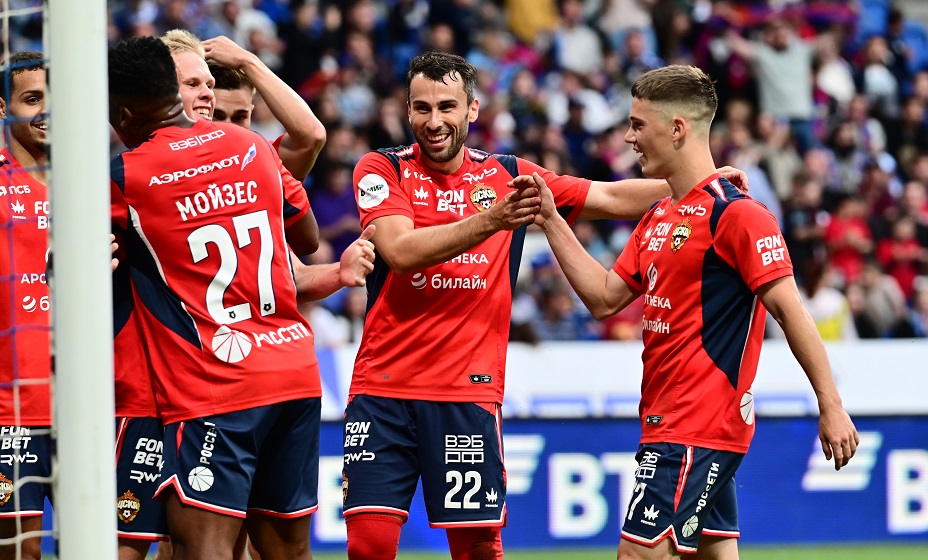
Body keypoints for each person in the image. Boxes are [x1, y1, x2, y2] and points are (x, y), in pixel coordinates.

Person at [341, 50, 749, 560]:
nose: (434, 121)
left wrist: (700, 185)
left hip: (467, 395)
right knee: (369, 546)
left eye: (447, 107)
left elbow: (609, 197)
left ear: (472, 109)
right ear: (407, 110)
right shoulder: (382, 168)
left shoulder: (508, 175)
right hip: (382, 390)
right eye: (421, 108)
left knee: (478, 549)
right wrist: (495, 219)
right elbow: (400, 252)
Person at [522, 65, 859, 559]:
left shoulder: (739, 215)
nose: (629, 137)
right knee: (713, 554)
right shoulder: (660, 215)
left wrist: (831, 405)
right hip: (669, 419)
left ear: (677, 129)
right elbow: (604, 298)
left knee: (637, 554)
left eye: (638, 125)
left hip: (697, 423)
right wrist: (551, 220)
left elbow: (791, 313)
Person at [107, 35, 324, 560]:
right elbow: (307, 237)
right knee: (288, 552)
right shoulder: (253, 146)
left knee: (203, 548)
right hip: (293, 369)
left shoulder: (125, 175)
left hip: (215, 382)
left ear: (123, 114)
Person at [0, 50, 51, 560]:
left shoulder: (97, 184)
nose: (46, 110)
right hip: (12, 409)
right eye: (32, 99)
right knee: (22, 552)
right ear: (3, 107)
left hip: (93, 407)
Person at [203, 34, 326, 181]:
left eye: (239, 117)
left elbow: (313, 135)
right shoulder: (178, 165)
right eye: (217, 115)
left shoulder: (264, 161)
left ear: (251, 113)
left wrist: (249, 61)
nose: (229, 128)